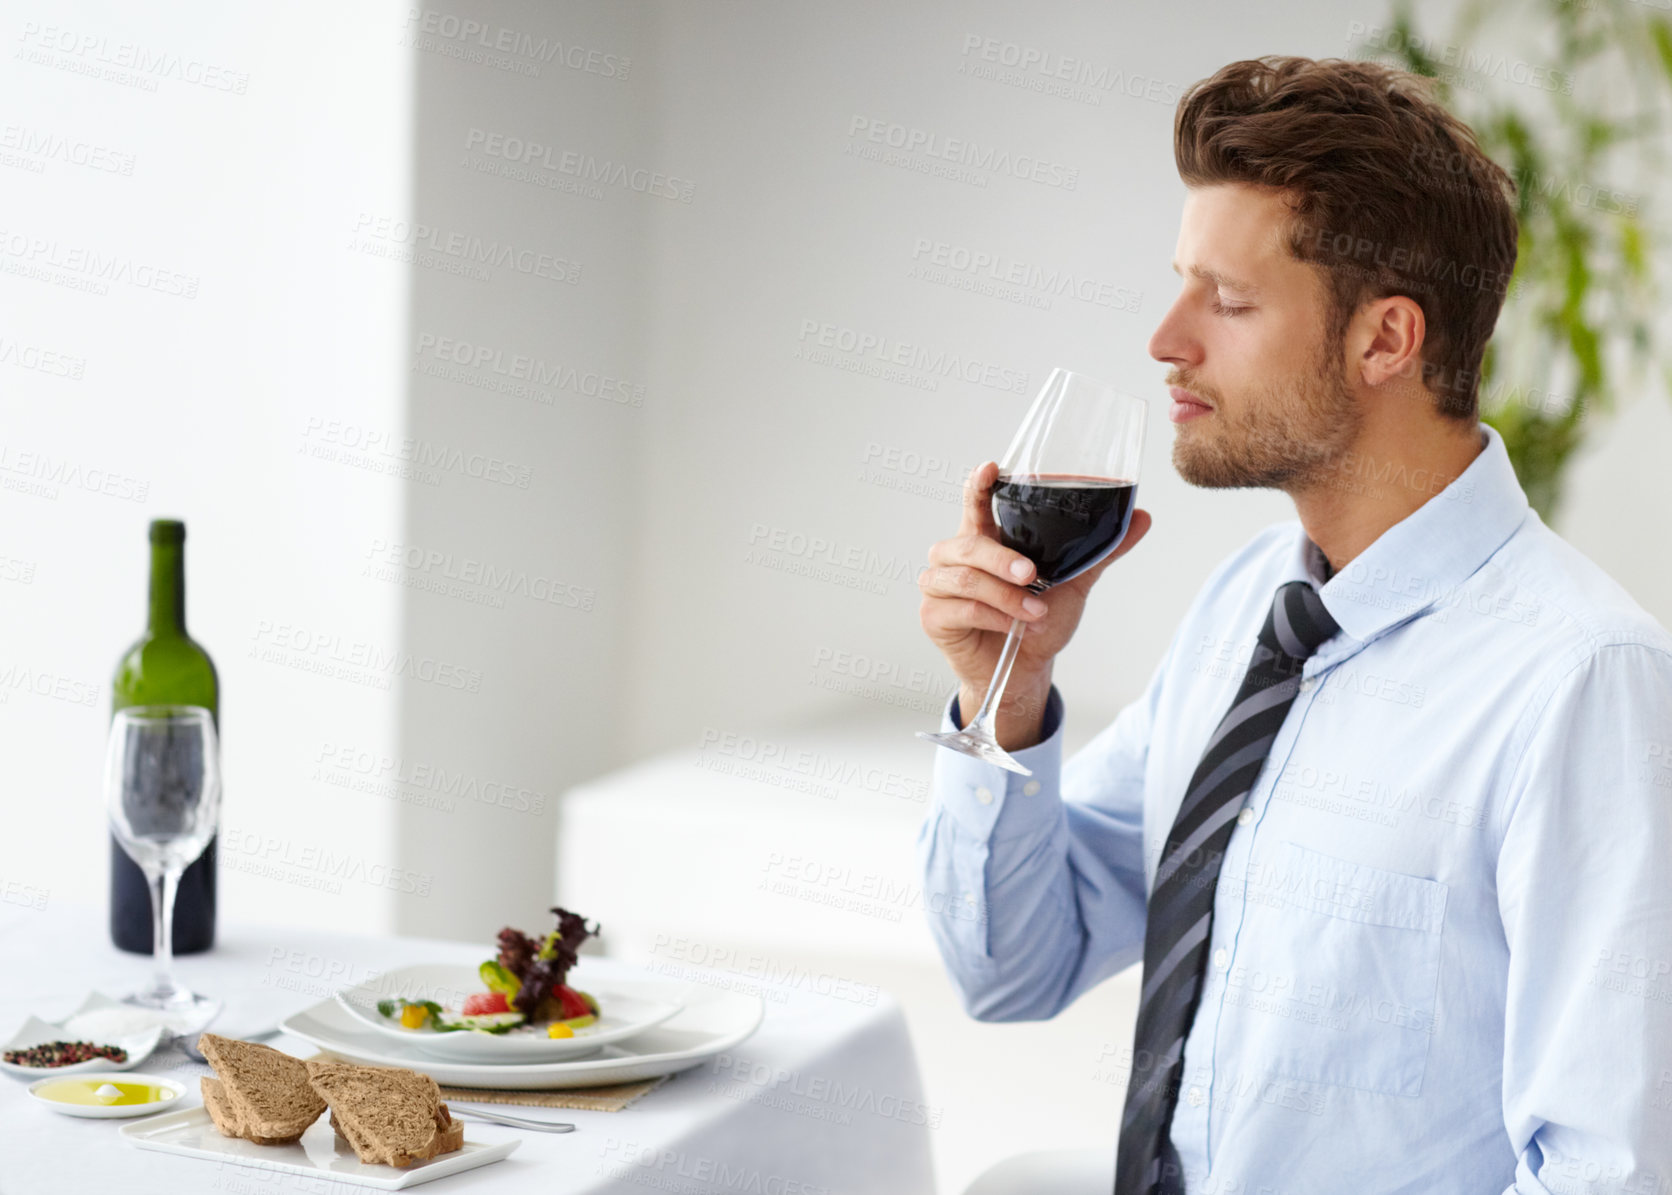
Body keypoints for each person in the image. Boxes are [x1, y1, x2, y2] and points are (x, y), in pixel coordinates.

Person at [916, 55, 1672, 1195]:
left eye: (1226, 300)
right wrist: (1004, 694)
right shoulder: (1248, 610)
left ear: (1384, 341)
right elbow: (1013, 969)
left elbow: (1609, 1170)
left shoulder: (1582, 683)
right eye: (1181, 284)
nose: (1166, 338)